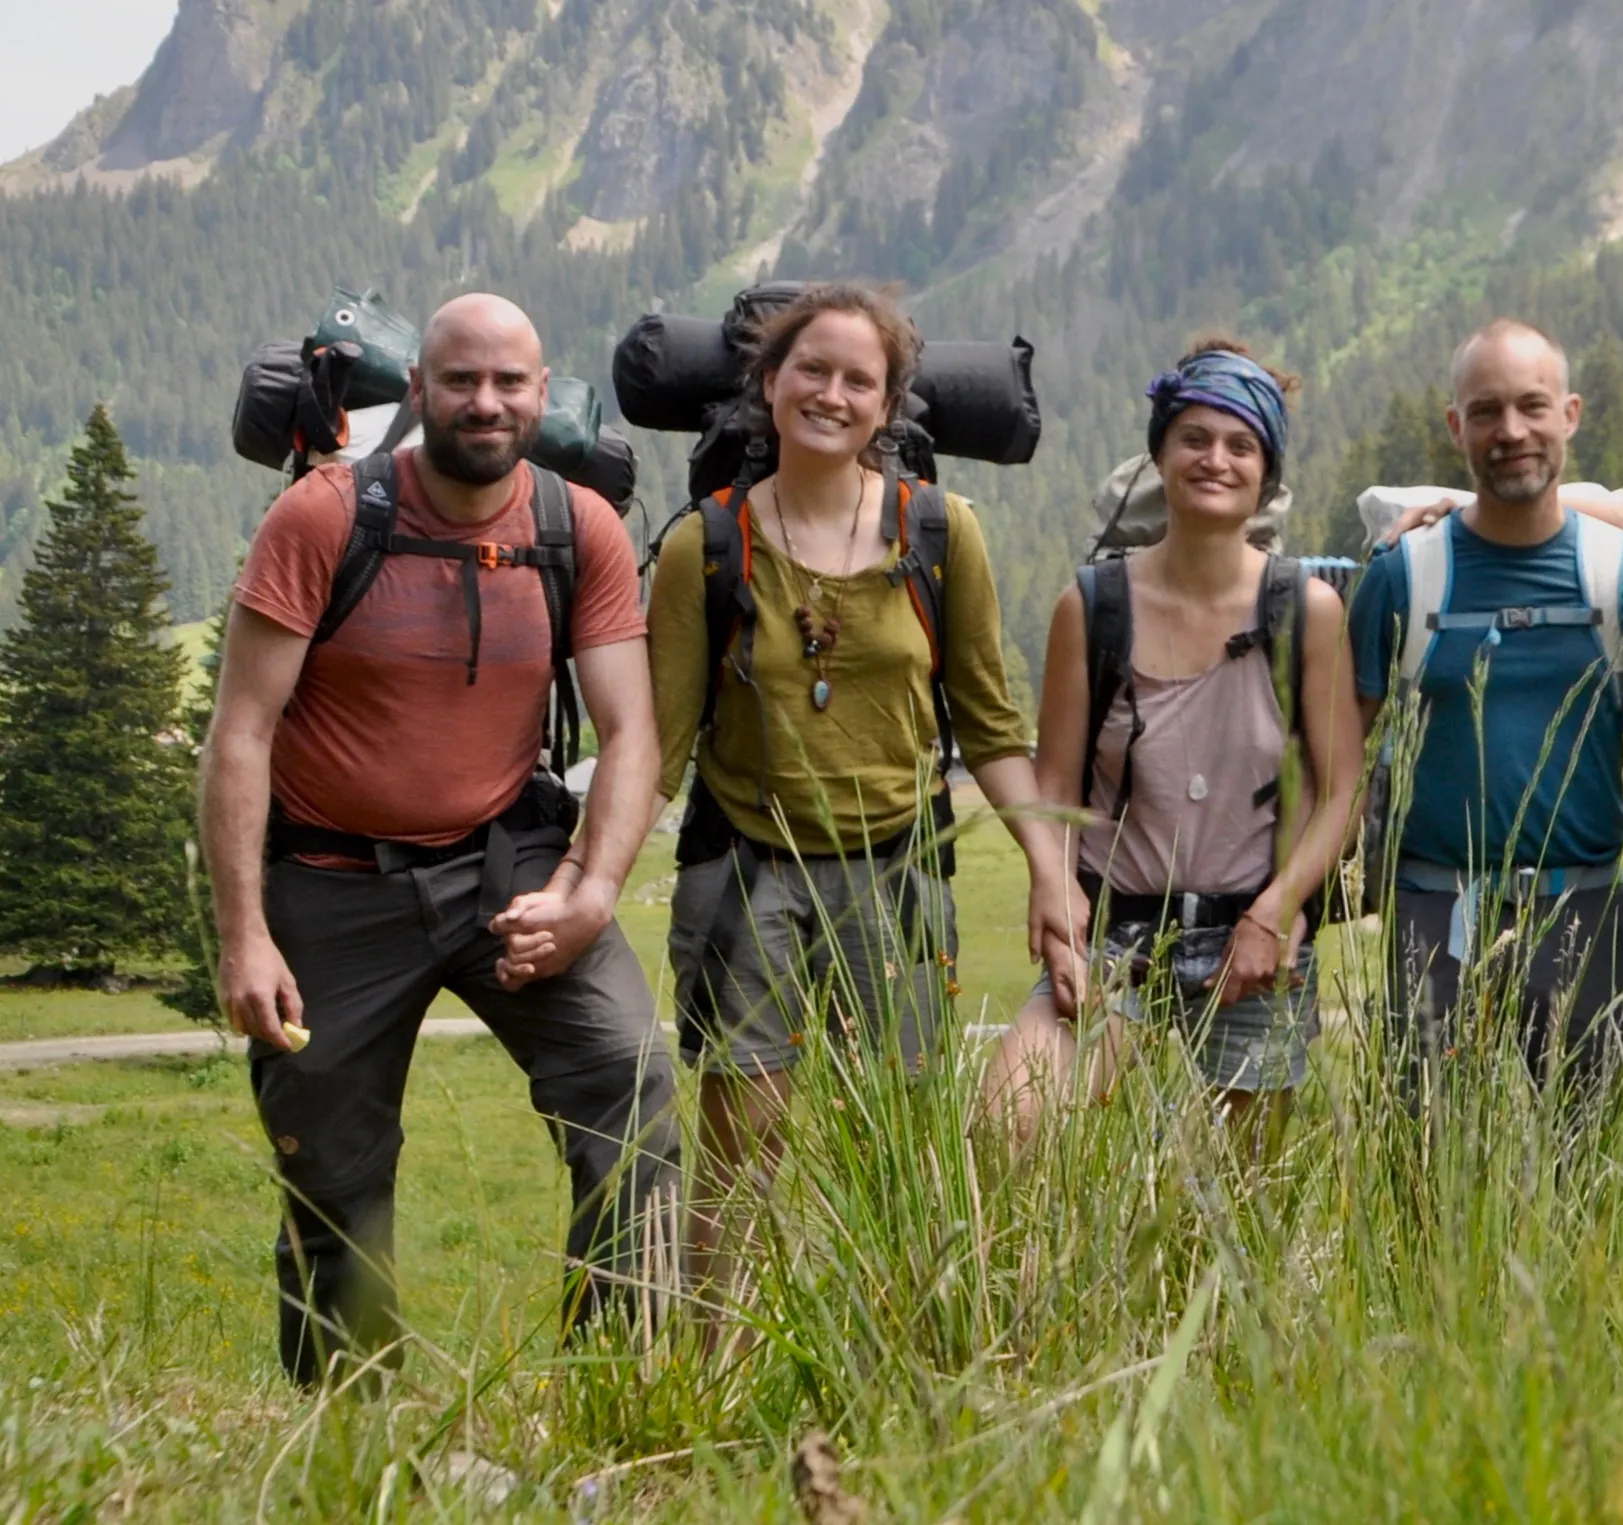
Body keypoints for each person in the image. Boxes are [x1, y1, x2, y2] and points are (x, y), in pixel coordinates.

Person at [202, 294, 677, 1387]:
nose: (487, 402)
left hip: (505, 865)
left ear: (543, 393)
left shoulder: (575, 527)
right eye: (461, 380)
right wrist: (244, 936)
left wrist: (591, 892)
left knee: (630, 1076)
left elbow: (633, 729)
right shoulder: (326, 516)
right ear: (417, 390)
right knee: (332, 1171)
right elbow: (241, 732)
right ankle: (358, 1432)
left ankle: (618, 1385)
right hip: (330, 878)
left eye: (511, 382)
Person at [648, 283, 1075, 1290]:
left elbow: (988, 722)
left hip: (897, 875)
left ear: (888, 408)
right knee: (741, 1153)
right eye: (812, 370)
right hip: (748, 877)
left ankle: (896, 1358)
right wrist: (586, 876)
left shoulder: (937, 533)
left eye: (858, 379)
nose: (832, 393)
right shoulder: (702, 547)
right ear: (768, 383)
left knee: (897, 1146)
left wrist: (1051, 872)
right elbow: (656, 749)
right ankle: (716, 1379)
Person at [983, 341, 1364, 1151]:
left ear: (1267, 469)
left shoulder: (1308, 609)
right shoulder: (1093, 606)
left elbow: (1339, 789)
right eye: (1193, 437)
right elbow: (1054, 786)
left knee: (1235, 1212)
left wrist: (1277, 910)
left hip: (1252, 948)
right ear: (1159, 453)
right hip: (1113, 940)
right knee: (1010, 1120)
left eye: (1240, 445)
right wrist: (1050, 888)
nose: (1215, 459)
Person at [1347, 319, 1623, 1104]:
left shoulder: (1621, 574)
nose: (1509, 430)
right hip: (1432, 914)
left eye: (1532, 406)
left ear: (1570, 414)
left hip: (1585, 910)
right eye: (1485, 411)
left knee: (1592, 1181)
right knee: (1427, 1179)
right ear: (1456, 427)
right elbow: (1337, 753)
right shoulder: (1403, 575)